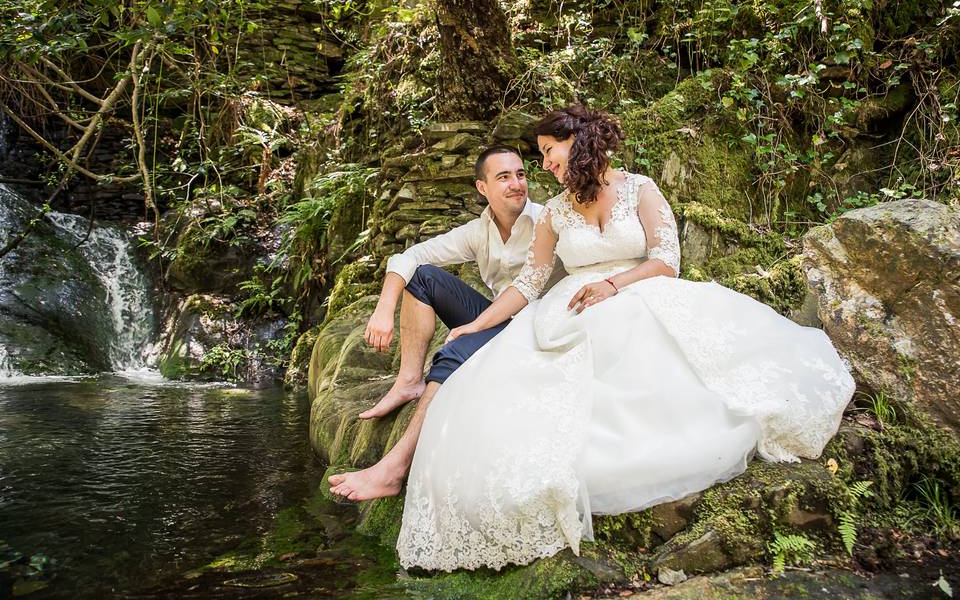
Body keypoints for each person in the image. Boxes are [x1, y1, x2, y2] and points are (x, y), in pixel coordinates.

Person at [395, 104, 856, 572]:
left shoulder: (640, 188)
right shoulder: (554, 211)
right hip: (572, 304)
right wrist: (477, 324)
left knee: (652, 346)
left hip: (641, 289)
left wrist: (614, 285)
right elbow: (530, 283)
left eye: (549, 151)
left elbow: (666, 260)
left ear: (578, 141)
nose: (546, 164)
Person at [328, 145, 553, 500]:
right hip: (498, 318)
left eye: (521, 174)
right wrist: (384, 308)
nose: (516, 184)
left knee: (453, 353)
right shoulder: (479, 232)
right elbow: (409, 256)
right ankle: (408, 381)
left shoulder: (547, 221)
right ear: (483, 188)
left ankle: (393, 469)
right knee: (423, 277)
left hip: (537, 329)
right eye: (504, 177)